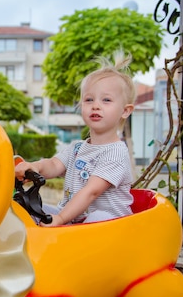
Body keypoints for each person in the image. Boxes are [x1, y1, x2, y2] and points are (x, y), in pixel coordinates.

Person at [15, 50, 136, 226]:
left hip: (111, 225)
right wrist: (36, 166)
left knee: (97, 218)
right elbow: (54, 165)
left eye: (106, 100)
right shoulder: (77, 148)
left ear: (125, 111)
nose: (95, 106)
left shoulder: (116, 153)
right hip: (73, 218)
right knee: (25, 209)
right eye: (89, 100)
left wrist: (61, 218)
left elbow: (91, 192)